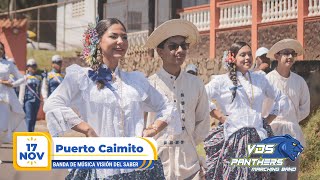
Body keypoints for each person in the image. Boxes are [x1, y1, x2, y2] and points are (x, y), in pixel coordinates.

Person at [43, 18, 173, 179]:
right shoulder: (81, 77)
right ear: (97, 41)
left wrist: (153, 129)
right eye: (114, 36)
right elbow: (52, 104)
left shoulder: (136, 80)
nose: (121, 41)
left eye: (124, 37)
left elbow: (167, 106)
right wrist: (87, 129)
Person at [204, 42, 287, 179]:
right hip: (233, 137)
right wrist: (220, 117)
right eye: (242, 55)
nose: (247, 57)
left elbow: (281, 97)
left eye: (249, 54)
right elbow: (201, 97)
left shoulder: (260, 78)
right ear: (233, 58)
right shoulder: (222, 81)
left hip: (258, 136)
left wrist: (268, 119)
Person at [145, 19, 210, 180]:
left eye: (183, 46)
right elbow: (141, 123)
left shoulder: (196, 84)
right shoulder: (148, 85)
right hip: (156, 162)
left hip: (189, 163)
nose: (180, 50)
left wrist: (187, 142)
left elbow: (203, 120)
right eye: (173, 46)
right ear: (160, 52)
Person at [263, 39, 310, 180]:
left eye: (292, 54)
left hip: (293, 134)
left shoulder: (299, 81)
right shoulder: (268, 80)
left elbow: (305, 107)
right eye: (285, 53)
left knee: (292, 174)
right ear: (277, 56)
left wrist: (291, 119)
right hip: (273, 133)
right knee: (279, 174)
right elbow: (261, 107)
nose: (289, 57)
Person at [0, 42, 26, 164]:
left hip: (4, 99)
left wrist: (11, 84)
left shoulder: (8, 64)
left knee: (3, 128)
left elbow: (22, 78)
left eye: (1, 49)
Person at [19, 59, 43, 132]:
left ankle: (31, 133)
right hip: (28, 100)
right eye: (31, 66)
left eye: (34, 66)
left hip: (36, 100)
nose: (33, 68)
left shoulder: (39, 77)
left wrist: (42, 100)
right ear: (28, 67)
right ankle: (27, 134)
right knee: (28, 118)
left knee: (33, 118)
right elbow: (22, 90)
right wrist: (21, 101)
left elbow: (40, 89)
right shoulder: (25, 77)